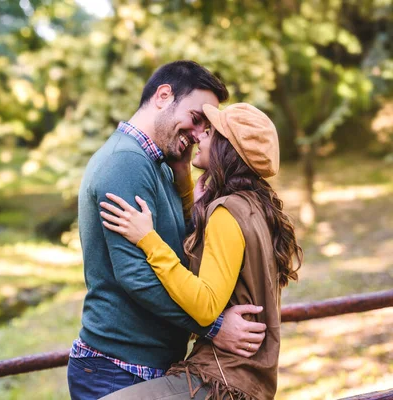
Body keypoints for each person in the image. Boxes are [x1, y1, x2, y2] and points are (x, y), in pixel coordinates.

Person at [67, 61, 269, 400]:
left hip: (147, 367)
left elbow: (178, 246)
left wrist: (185, 185)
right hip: (119, 370)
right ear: (163, 96)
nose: (198, 133)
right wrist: (214, 327)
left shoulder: (159, 164)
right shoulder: (125, 163)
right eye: (196, 118)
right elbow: (136, 275)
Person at [98, 102, 303, 399]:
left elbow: (206, 304)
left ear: (227, 148)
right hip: (247, 379)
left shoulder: (227, 211)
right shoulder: (256, 206)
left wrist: (147, 239)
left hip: (222, 379)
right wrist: (184, 184)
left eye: (209, 132)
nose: (199, 138)